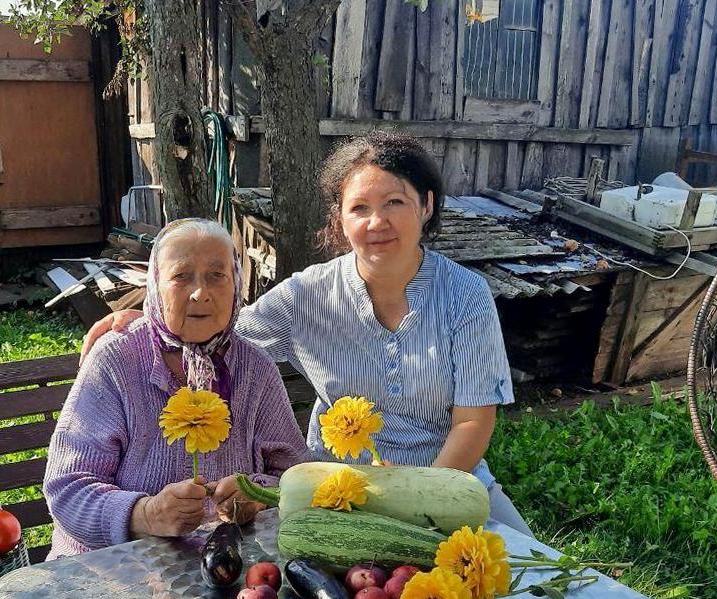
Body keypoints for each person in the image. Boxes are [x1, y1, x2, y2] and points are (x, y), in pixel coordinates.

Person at [82, 132, 533, 537]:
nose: (377, 223)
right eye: (360, 208)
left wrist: (423, 499)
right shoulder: (308, 294)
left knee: (533, 590)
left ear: (427, 205)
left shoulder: (466, 296)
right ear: (340, 218)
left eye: (394, 202)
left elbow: (473, 422)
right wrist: (143, 323)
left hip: (448, 482)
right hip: (338, 495)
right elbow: (217, 327)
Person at [43, 218, 309, 559]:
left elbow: (295, 475)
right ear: (156, 286)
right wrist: (145, 514)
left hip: (223, 566)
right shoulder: (116, 360)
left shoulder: (255, 368)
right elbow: (68, 489)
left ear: (236, 284)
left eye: (217, 276)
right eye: (181, 277)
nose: (200, 293)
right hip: (112, 572)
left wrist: (258, 494)